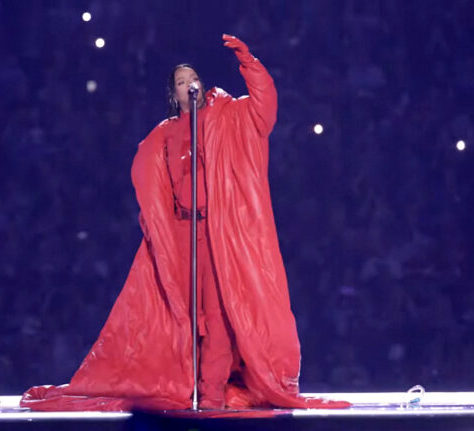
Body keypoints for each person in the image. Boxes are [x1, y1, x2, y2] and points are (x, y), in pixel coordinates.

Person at [21, 34, 349, 411]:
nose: (188, 83)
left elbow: (264, 109)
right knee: (181, 316)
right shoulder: (164, 134)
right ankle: (186, 385)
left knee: (222, 314)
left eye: (192, 77)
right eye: (180, 81)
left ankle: (210, 395)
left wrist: (249, 63)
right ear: (173, 94)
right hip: (180, 235)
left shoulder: (226, 117)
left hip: (218, 233)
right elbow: (151, 184)